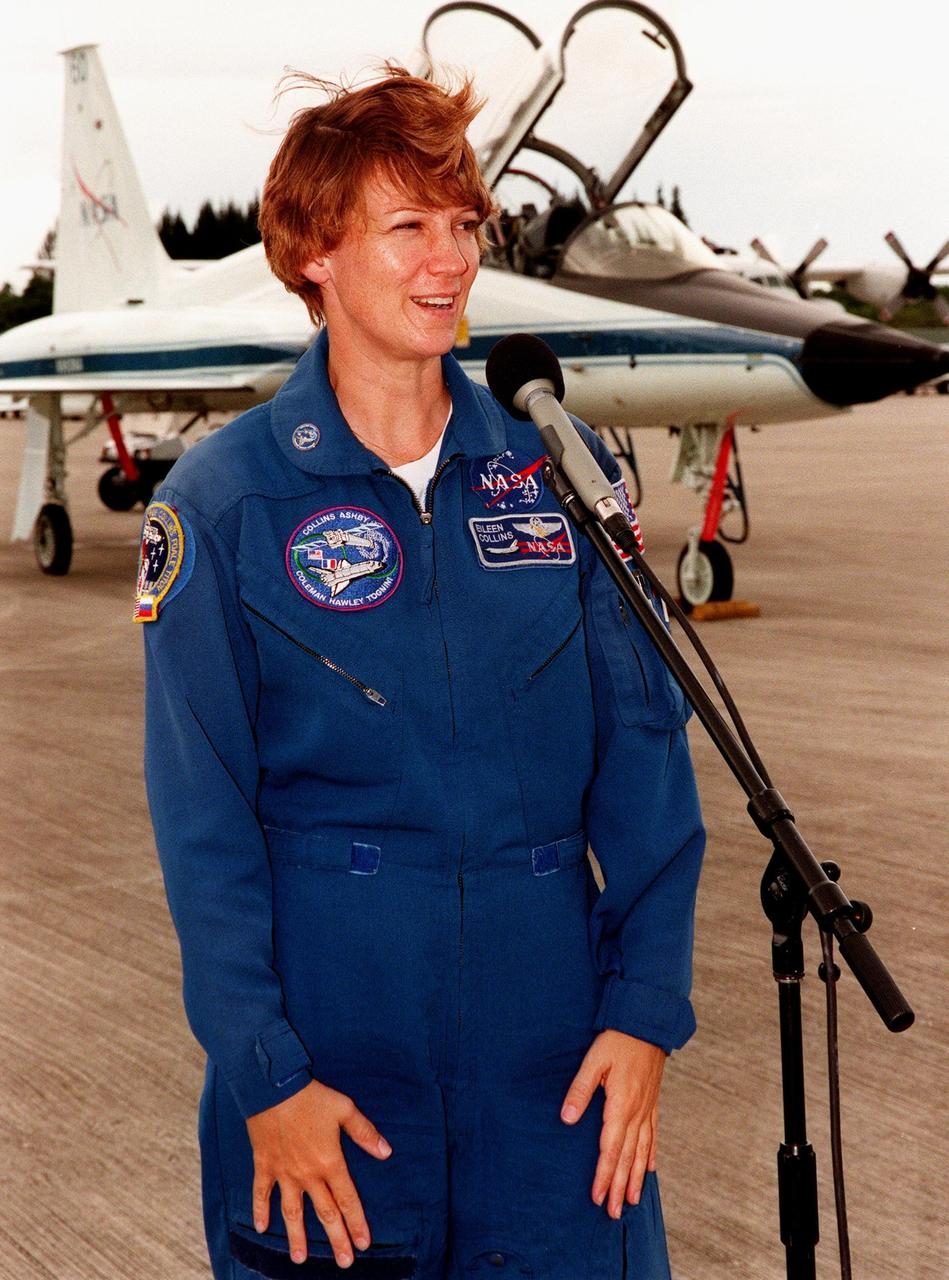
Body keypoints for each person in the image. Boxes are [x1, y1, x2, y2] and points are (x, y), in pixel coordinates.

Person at [140, 65, 704, 1280]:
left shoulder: (556, 471)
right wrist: (265, 1074)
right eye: (408, 227)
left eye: (464, 225)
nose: (448, 261)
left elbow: (649, 754)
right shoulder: (225, 502)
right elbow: (202, 825)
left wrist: (645, 1008)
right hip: (335, 1062)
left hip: (555, 1061)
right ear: (312, 256)